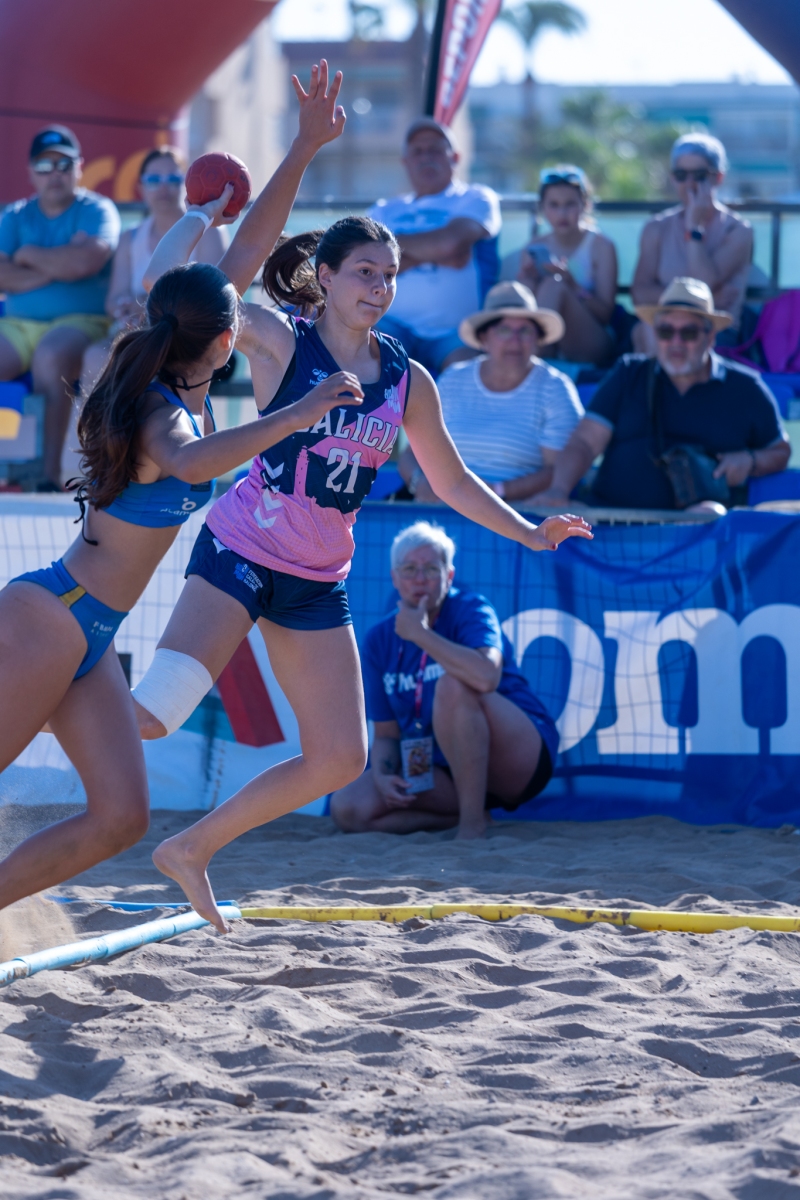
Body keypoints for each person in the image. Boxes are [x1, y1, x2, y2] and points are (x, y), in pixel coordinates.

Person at [131, 192, 592, 933]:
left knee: (340, 761)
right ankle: (31, 708)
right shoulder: (280, 339)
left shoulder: (407, 378)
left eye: (390, 274)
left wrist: (531, 533)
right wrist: (199, 220)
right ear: (326, 276)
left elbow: (452, 481)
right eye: (365, 272)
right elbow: (165, 288)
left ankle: (189, 849)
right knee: (154, 716)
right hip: (243, 549)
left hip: (317, 579)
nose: (380, 287)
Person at [0, 64, 351, 914]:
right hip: (50, 618)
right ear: (227, 342)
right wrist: (300, 409)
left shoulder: (174, 361)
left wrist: (301, 149)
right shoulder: (164, 411)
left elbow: (247, 249)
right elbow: (193, 464)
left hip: (88, 634)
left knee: (122, 817)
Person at [330, 522, 559, 839]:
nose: (420, 578)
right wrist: (382, 776)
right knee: (347, 807)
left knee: (452, 686)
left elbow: (487, 676)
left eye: (431, 569)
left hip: (516, 756)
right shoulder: (379, 639)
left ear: (449, 576)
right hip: (441, 767)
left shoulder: (472, 609)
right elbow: (386, 735)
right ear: (394, 578)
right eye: (409, 569)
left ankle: (472, 826)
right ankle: (463, 815)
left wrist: (420, 634)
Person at [537, 278, 789, 514]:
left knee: (710, 512)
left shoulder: (745, 387)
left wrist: (750, 461)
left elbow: (780, 451)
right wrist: (558, 491)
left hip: (700, 535)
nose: (676, 342)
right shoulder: (628, 373)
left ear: (711, 336)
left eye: (688, 333)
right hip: (614, 524)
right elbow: (585, 443)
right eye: (666, 331)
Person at [0, 125, 120, 490]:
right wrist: (62, 265)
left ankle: (47, 476)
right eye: (44, 165)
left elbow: (87, 262)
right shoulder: (15, 215)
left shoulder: (97, 210)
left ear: (80, 167)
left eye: (64, 164)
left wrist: (27, 255)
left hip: (82, 322)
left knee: (51, 355)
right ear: (30, 171)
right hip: (17, 325)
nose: (54, 173)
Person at [398, 281, 583, 504]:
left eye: (525, 331)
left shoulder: (556, 388)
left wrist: (496, 492)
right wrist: (420, 484)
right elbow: (410, 456)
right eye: (504, 330)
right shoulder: (453, 379)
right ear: (484, 338)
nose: (515, 340)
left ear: (537, 339)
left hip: (517, 516)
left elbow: (558, 471)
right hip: (443, 510)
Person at [80, 147, 227, 397]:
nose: (163, 187)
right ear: (141, 187)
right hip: (139, 333)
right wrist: (125, 308)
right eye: (154, 180)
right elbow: (114, 299)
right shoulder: (129, 238)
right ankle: (99, 423)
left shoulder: (210, 231)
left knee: (146, 362)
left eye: (173, 179)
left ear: (187, 185)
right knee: (95, 356)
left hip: (191, 336)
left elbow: (214, 299)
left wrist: (145, 306)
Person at [367, 117, 501, 377]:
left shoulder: (475, 198)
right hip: (390, 325)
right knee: (366, 368)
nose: (426, 157)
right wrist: (441, 252)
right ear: (405, 162)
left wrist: (391, 254)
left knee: (464, 379)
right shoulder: (383, 210)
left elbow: (450, 244)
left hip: (459, 331)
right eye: (418, 151)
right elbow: (366, 262)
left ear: (455, 157)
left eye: (435, 150)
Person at [631, 133, 753, 355]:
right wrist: (703, 300)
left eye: (699, 175)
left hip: (715, 332)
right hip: (663, 328)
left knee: (675, 335)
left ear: (718, 178)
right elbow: (639, 293)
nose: (689, 183)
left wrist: (693, 229)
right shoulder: (656, 227)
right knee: (650, 330)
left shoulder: (738, 231)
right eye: (681, 175)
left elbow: (704, 282)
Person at [518, 165, 618, 366]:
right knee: (542, 286)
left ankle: (528, 362)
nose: (562, 213)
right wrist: (527, 282)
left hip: (592, 343)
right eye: (553, 205)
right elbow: (523, 313)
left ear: (585, 205)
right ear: (543, 208)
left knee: (554, 285)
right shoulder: (533, 247)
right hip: (550, 343)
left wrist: (571, 285)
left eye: (570, 204)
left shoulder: (601, 246)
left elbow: (605, 316)